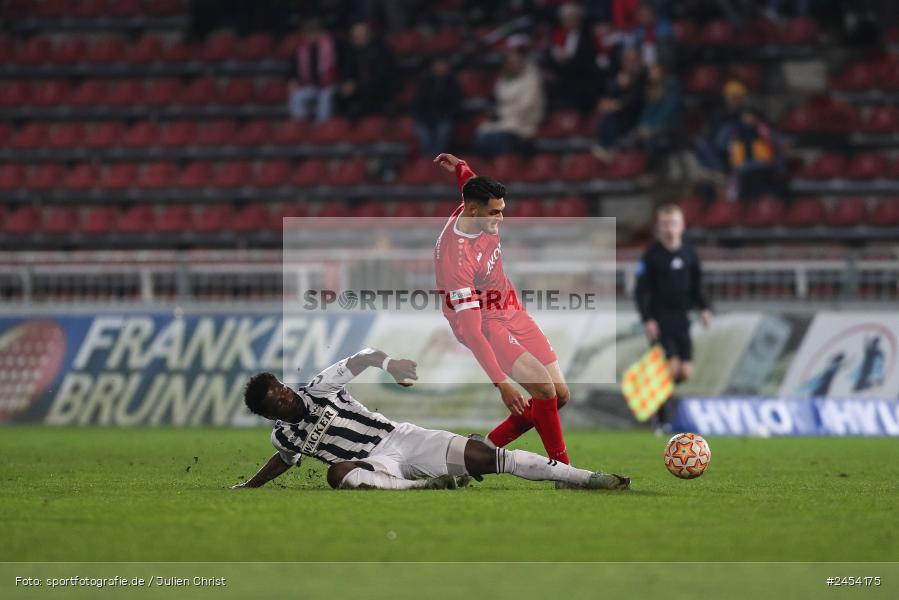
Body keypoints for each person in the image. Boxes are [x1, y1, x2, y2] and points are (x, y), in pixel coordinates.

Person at [232, 347, 630, 491]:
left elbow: (362, 357)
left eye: (283, 390)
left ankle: (584, 477)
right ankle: (424, 486)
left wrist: (390, 364)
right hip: (377, 465)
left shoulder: (318, 387)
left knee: (486, 457)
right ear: (271, 416)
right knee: (338, 474)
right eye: (277, 402)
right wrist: (250, 485)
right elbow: (282, 461)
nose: (287, 398)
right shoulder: (286, 439)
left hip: (402, 438)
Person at [431, 152, 572, 469]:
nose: (501, 219)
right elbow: (471, 331)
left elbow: (469, 181)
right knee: (544, 389)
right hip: (482, 323)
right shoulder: (456, 259)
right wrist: (502, 385)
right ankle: (563, 468)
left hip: (510, 308)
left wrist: (460, 167)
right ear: (473, 210)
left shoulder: (475, 206)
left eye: (502, 211)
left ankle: (484, 448)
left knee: (560, 395)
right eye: (495, 213)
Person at [634, 204, 712, 430]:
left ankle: (654, 391)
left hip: (682, 320)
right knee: (670, 366)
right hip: (660, 320)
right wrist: (647, 318)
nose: (670, 228)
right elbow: (641, 291)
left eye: (674, 223)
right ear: (659, 227)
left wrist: (705, 309)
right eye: (665, 224)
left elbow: (698, 287)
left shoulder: (689, 254)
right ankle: (662, 418)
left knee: (684, 372)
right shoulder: (651, 255)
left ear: (682, 226)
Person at [474, 44, 545, 158]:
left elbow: (527, 104)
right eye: (510, 60)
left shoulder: (531, 76)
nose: (513, 63)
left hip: (524, 120)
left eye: (516, 60)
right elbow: (498, 98)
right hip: (503, 118)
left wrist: (503, 113)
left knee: (500, 137)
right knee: (482, 133)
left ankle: (504, 164)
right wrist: (495, 112)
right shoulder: (503, 76)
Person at [337, 21, 396, 118]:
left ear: (369, 35)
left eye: (362, 35)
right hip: (358, 91)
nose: (359, 39)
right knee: (338, 95)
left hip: (379, 90)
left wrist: (358, 86)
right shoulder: (351, 52)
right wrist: (348, 83)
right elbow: (347, 72)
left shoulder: (382, 51)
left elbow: (382, 76)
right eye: (356, 37)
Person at [549, 3, 599, 113]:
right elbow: (552, 57)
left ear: (578, 19)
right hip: (561, 78)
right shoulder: (559, 36)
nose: (568, 22)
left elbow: (588, 62)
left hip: (580, 80)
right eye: (565, 19)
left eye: (571, 18)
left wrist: (567, 61)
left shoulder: (587, 37)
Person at [287, 20, 338, 122]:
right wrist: (292, 81)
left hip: (331, 84)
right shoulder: (301, 50)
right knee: (296, 96)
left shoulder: (333, 46)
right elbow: (293, 69)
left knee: (325, 96)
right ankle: (300, 123)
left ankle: (321, 125)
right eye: (308, 34)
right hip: (311, 85)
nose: (311, 37)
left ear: (320, 33)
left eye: (314, 33)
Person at [412, 57, 462, 157]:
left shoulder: (452, 83)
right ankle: (428, 158)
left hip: (444, 117)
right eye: (438, 65)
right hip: (425, 118)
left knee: (443, 131)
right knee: (421, 131)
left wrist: (447, 115)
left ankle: (437, 157)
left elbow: (454, 103)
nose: (441, 68)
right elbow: (419, 102)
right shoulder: (425, 82)